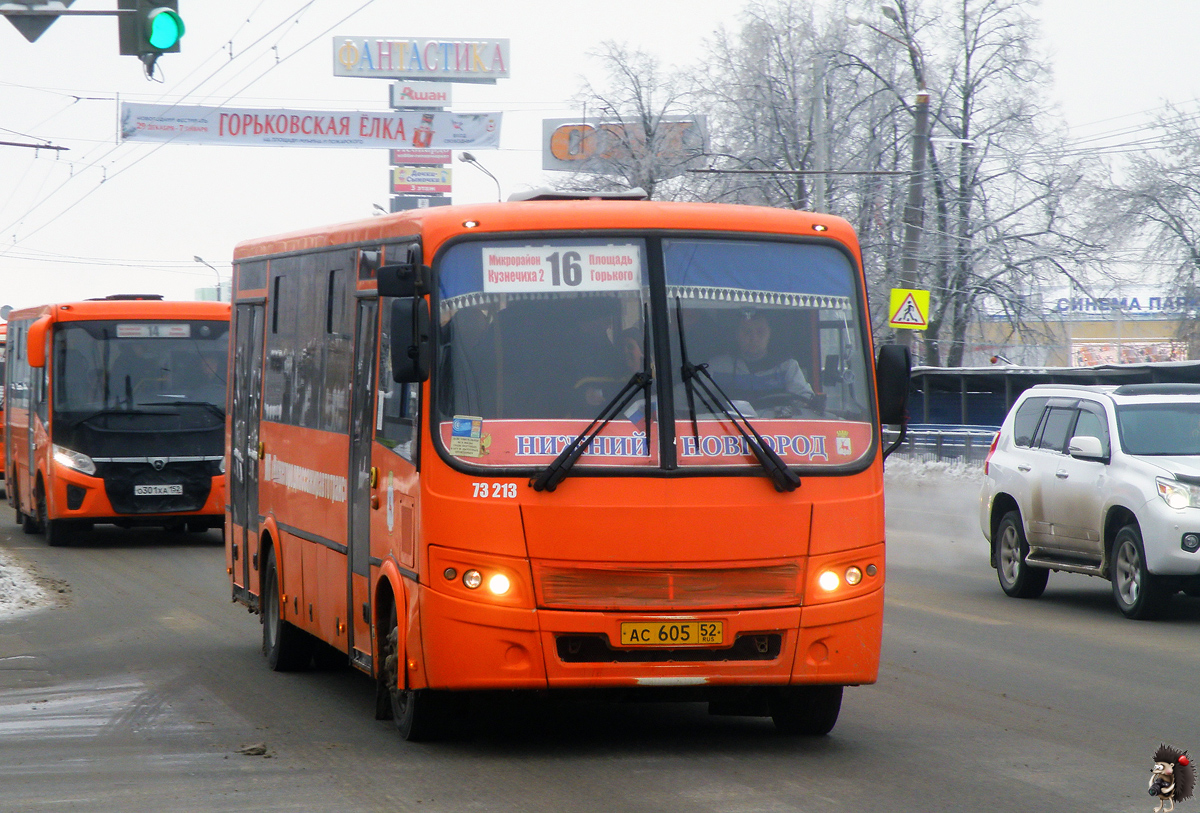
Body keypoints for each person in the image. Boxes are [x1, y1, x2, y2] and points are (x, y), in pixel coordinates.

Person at [705, 310, 817, 414]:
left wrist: (794, 408)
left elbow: (805, 401)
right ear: (736, 335)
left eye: (760, 332)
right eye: (746, 332)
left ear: (770, 334)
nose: (754, 338)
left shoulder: (787, 367)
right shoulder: (716, 367)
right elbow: (694, 400)